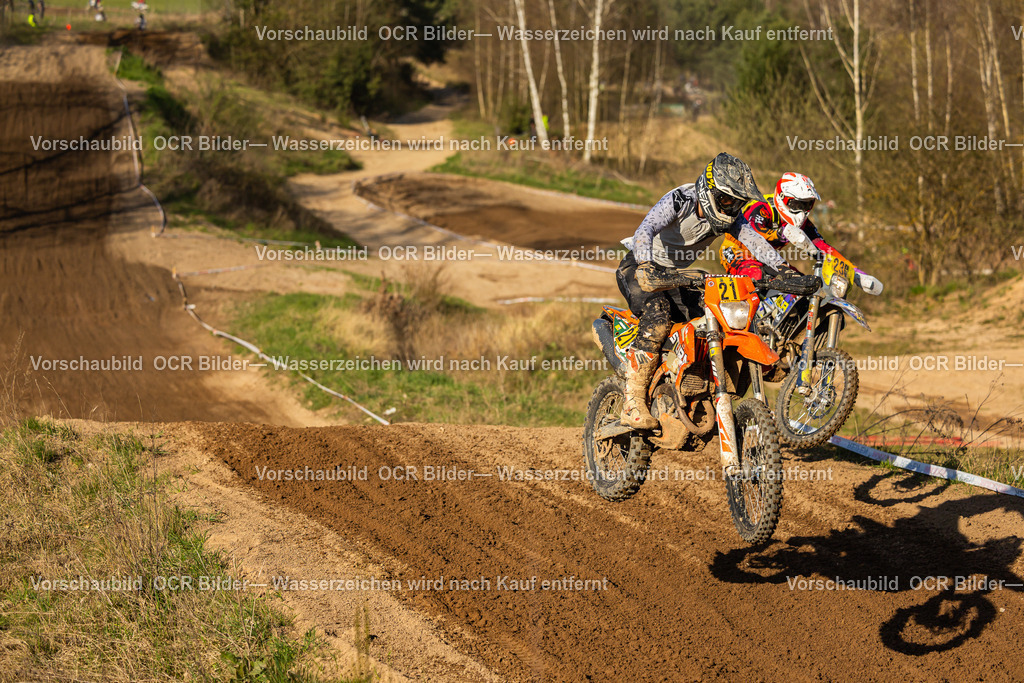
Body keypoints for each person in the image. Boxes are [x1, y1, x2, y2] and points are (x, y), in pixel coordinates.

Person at [616, 152, 792, 429]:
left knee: (720, 317)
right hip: (639, 268)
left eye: (738, 203)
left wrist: (784, 271)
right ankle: (632, 402)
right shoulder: (681, 200)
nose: (732, 208)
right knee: (658, 317)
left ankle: (695, 381)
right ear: (709, 190)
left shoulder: (731, 218)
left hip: (676, 277)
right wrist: (646, 264)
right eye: (726, 200)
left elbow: (756, 243)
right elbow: (645, 228)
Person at [719, 172, 883, 294]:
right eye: (798, 204)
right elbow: (754, 235)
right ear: (783, 198)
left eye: (807, 205)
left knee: (804, 286)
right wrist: (782, 233)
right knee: (756, 275)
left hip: (772, 261)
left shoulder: (802, 222)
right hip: (738, 253)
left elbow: (824, 249)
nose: (802, 211)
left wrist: (857, 275)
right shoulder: (762, 207)